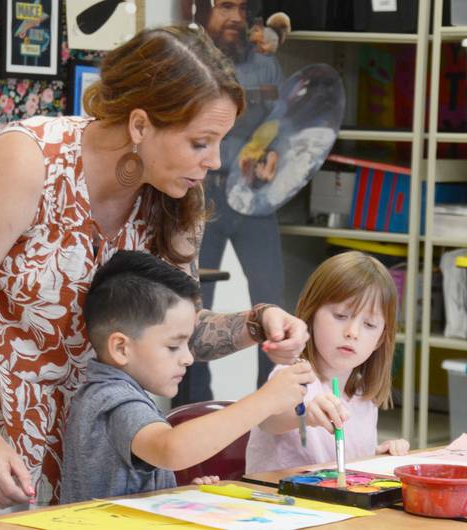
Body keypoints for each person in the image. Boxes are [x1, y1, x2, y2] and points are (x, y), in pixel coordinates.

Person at [0, 26, 308, 524]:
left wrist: (258, 323)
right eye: (200, 142)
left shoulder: (176, 200)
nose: (214, 162)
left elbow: (178, 331)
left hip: (85, 423)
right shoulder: (28, 161)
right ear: (140, 125)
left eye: (219, 143)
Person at [60, 250, 313, 503]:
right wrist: (266, 400)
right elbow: (170, 448)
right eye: (173, 346)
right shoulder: (114, 399)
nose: (189, 358)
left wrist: (177, 494)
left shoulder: (110, 392)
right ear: (121, 348)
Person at [174, 0, 288, 406]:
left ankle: (271, 407)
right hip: (203, 191)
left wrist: (274, 152)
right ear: (201, 10)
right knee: (194, 304)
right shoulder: (187, 63)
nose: (236, 18)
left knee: (273, 301)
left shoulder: (266, 64)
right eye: (225, 6)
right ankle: (195, 409)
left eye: (241, 8)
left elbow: (280, 123)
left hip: (256, 196)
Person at [245, 251, 411, 474]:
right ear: (310, 313)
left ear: (381, 338)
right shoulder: (292, 376)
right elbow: (268, 419)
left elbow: (345, 466)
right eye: (341, 316)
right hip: (280, 503)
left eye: (369, 325)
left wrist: (378, 458)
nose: (352, 332)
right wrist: (305, 415)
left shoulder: (363, 396)